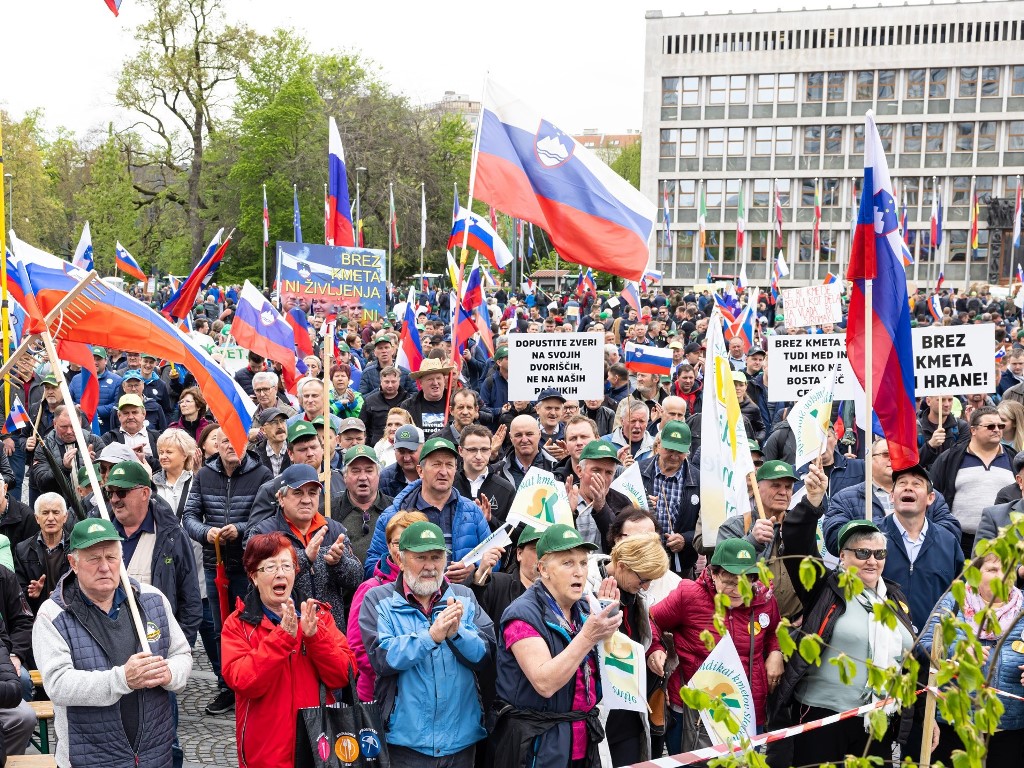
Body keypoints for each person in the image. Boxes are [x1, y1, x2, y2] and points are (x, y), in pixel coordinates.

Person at [32, 518, 193, 768]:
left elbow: (182, 654)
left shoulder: (153, 599)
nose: (105, 567)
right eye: (94, 559)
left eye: (112, 557)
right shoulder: (53, 615)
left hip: (156, 754)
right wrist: (122, 679)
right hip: (89, 757)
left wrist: (170, 673)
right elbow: (58, 684)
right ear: (73, 563)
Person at [774, 519, 917, 765]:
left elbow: (910, 662)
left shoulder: (894, 598)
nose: (872, 560)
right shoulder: (825, 587)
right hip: (823, 717)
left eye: (879, 553)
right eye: (862, 553)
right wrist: (813, 503)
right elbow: (797, 541)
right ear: (842, 555)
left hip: (877, 719)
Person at [358, 521, 495, 766]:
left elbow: (485, 655)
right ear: (400, 560)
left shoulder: (464, 596)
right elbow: (382, 658)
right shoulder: (377, 599)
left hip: (460, 742)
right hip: (405, 744)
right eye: (420, 557)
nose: (430, 566)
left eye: (436, 557)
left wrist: (457, 634)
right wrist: (430, 637)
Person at [491, 523, 621, 767]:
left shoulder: (584, 609)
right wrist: (589, 636)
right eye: (567, 563)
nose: (579, 572)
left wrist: (608, 622)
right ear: (543, 569)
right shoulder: (521, 614)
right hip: (536, 746)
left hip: (583, 739)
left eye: (583, 563)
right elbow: (545, 683)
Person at [221, 532, 355, 768]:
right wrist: (282, 637)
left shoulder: (319, 615)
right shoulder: (238, 623)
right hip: (266, 751)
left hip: (318, 745)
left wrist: (315, 638)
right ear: (253, 576)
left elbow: (343, 675)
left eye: (286, 566)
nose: (280, 573)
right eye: (270, 567)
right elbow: (244, 681)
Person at [650, 539, 782, 754]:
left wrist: (775, 651)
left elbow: (774, 631)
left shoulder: (765, 600)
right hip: (693, 710)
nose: (738, 590)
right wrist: (655, 648)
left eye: (745, 581)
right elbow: (651, 620)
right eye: (729, 582)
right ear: (713, 573)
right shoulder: (689, 595)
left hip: (746, 709)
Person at [182, 427, 273, 715]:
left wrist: (242, 529)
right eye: (224, 441)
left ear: (246, 443)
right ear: (215, 447)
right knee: (222, 628)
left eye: (236, 440)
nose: (231, 446)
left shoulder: (262, 475)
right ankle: (227, 685)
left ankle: (255, 680)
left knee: (253, 623)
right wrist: (207, 533)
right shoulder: (204, 476)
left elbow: (269, 517)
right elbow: (189, 516)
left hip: (250, 566)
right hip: (215, 563)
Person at [929, 552, 1024, 763]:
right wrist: (956, 651)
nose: (1002, 575)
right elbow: (924, 647)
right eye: (992, 569)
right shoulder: (954, 601)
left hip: (1009, 732)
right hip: (954, 728)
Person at [586, 533, 669, 766]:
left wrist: (655, 647)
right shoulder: (586, 587)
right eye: (643, 580)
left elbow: (641, 633)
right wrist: (601, 612)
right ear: (621, 566)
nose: (647, 586)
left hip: (629, 710)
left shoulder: (634, 590)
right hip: (599, 711)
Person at [248, 463, 363, 630]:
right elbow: (254, 579)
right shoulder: (263, 532)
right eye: (298, 493)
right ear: (281, 498)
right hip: (282, 629)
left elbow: (356, 579)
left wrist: (339, 562)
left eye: (312, 493)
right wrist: (303, 558)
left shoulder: (334, 529)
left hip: (329, 631)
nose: (306, 500)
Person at [364, 437, 490, 579]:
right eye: (436, 464)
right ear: (420, 470)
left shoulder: (473, 513)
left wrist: (474, 568)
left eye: (449, 465)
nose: (443, 472)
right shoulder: (393, 515)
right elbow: (372, 566)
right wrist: (406, 572)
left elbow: (492, 557)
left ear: (455, 469)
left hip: (461, 598)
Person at [347, 510, 427, 702]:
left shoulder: (440, 585)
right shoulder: (370, 590)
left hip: (426, 693)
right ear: (388, 546)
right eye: (398, 543)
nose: (403, 549)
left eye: (412, 541)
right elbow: (358, 648)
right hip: (380, 693)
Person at [931, 406, 1015, 555]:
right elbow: (934, 496)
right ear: (973, 430)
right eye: (990, 426)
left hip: (1005, 542)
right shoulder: (950, 458)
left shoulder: (1014, 459)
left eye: (1000, 425)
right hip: (960, 542)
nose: (997, 429)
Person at [638, 421, 701, 578]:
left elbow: (708, 527)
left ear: (688, 451)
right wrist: (638, 507)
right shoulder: (637, 472)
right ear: (658, 445)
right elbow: (620, 514)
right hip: (642, 562)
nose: (674, 456)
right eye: (669, 449)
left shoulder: (699, 480)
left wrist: (685, 540)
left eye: (680, 451)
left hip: (680, 567)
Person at [336, 445, 393, 565]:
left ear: (378, 474)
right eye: (355, 471)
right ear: (345, 476)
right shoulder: (330, 511)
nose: (362, 477)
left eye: (369, 470)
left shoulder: (395, 510)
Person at [15, 492, 71, 614]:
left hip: (70, 614)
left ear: (65, 517)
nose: (50, 518)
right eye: (45, 513)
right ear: (37, 518)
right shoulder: (22, 549)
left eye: (56, 512)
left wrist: (63, 594)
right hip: (37, 615)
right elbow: (17, 592)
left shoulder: (77, 548)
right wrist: (32, 594)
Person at [456, 425, 515, 530]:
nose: (479, 456)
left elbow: (514, 532)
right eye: (472, 450)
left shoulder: (506, 489)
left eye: (484, 450)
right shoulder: (449, 484)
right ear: (460, 451)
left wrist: (490, 519)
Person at [101, 394, 161, 473]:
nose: (130, 417)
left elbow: (163, 465)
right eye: (126, 413)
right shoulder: (109, 438)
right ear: (119, 416)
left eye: (134, 412)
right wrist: (132, 456)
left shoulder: (157, 437)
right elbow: (104, 465)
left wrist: (143, 458)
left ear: (143, 414)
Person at [401, 358, 454, 438]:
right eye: (430, 379)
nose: (435, 383)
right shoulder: (408, 406)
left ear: (444, 380)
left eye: (438, 378)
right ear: (420, 383)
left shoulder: (455, 402)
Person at [362, 367, 408, 445]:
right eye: (387, 382)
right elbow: (363, 427)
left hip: (403, 445)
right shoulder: (370, 401)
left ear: (399, 381)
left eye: (393, 382)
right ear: (381, 382)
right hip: (376, 447)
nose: (390, 385)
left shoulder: (408, 401)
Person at [379, 423, 424, 498]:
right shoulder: (384, 478)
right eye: (401, 452)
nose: (406, 458)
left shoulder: (431, 475)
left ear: (423, 449)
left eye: (411, 451)